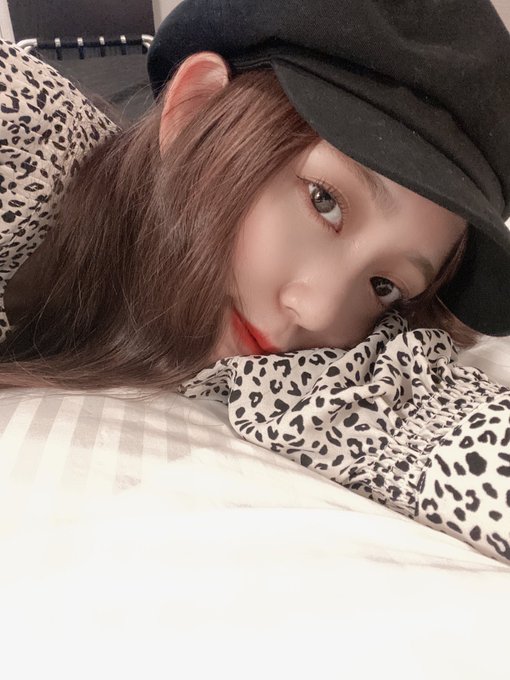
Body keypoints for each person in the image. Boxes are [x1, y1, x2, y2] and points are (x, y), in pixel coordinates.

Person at [1, 0, 510, 564]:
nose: (319, 312)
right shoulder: (17, 126)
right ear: (196, 109)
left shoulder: (327, 348)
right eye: (324, 201)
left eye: (384, 284)